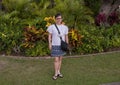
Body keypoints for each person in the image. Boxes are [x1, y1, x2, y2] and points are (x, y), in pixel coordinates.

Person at [47, 13, 69, 80]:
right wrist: (50, 43)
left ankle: (59, 71)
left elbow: (66, 36)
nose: (59, 20)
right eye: (57, 18)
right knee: (56, 60)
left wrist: (67, 44)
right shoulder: (51, 27)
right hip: (55, 45)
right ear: (55, 19)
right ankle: (56, 73)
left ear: (62, 19)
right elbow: (49, 36)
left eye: (60, 18)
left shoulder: (65, 27)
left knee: (60, 59)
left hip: (62, 46)